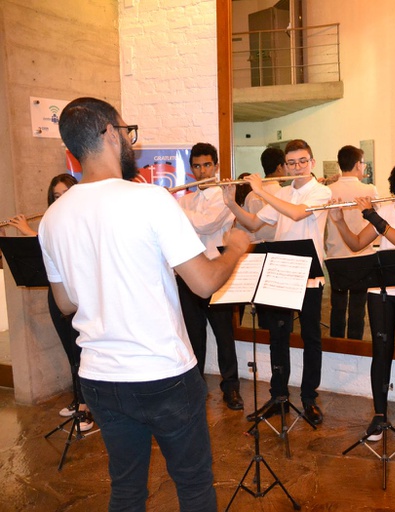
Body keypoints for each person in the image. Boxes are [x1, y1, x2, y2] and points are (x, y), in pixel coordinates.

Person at [38, 97, 249, 511]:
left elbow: (65, 303)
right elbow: (204, 283)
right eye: (127, 131)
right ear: (109, 134)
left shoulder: (52, 219)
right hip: (162, 373)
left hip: (99, 377)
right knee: (193, 486)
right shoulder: (150, 199)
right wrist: (236, 249)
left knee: (126, 488)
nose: (130, 140)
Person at [328, 152, 395, 439]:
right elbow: (356, 244)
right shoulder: (387, 209)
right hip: (381, 289)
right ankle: (379, 414)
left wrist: (372, 215)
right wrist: (339, 221)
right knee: (381, 350)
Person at [223, 139, 331, 425]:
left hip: (309, 274)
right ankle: (279, 397)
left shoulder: (322, 191)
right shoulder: (282, 192)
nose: (298, 167)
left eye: (303, 161)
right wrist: (230, 202)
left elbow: (297, 213)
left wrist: (261, 191)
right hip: (282, 272)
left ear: (312, 162)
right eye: (292, 163)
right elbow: (253, 223)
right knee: (278, 338)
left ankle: (309, 399)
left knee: (311, 338)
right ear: (286, 165)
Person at [4, 174, 92, 428]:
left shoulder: (85, 221)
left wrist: (30, 232)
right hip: (57, 295)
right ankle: (78, 398)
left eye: (66, 194)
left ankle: (87, 406)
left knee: (82, 351)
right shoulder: (51, 224)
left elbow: (69, 252)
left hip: (80, 295)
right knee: (70, 351)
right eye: (56, 196)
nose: (61, 199)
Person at [176, 142, 244, 411]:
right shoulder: (185, 200)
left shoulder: (225, 197)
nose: (202, 171)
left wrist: (176, 210)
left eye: (207, 165)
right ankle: (196, 388)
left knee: (224, 335)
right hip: (189, 275)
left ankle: (231, 388)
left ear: (215, 166)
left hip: (217, 273)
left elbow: (206, 224)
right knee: (194, 336)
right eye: (196, 166)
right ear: (191, 169)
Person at [325, 145, 378, 340]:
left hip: (336, 255)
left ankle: (336, 344)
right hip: (363, 254)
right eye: (363, 164)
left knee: (337, 306)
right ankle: (355, 345)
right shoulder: (369, 189)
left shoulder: (328, 190)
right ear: (357, 164)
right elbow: (379, 219)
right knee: (358, 307)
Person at [238, 147, 285, 243]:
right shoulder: (284, 194)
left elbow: (245, 224)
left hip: (257, 245)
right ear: (279, 168)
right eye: (287, 165)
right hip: (279, 245)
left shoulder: (250, 195)